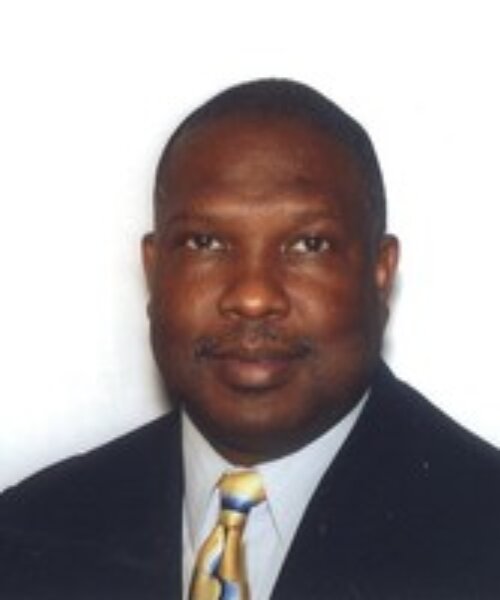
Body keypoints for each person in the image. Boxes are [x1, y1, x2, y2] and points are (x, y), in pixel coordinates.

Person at [0, 79, 499, 600]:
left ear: (380, 273)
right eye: (205, 242)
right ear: (154, 269)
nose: (254, 297)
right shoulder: (25, 535)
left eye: (309, 244)